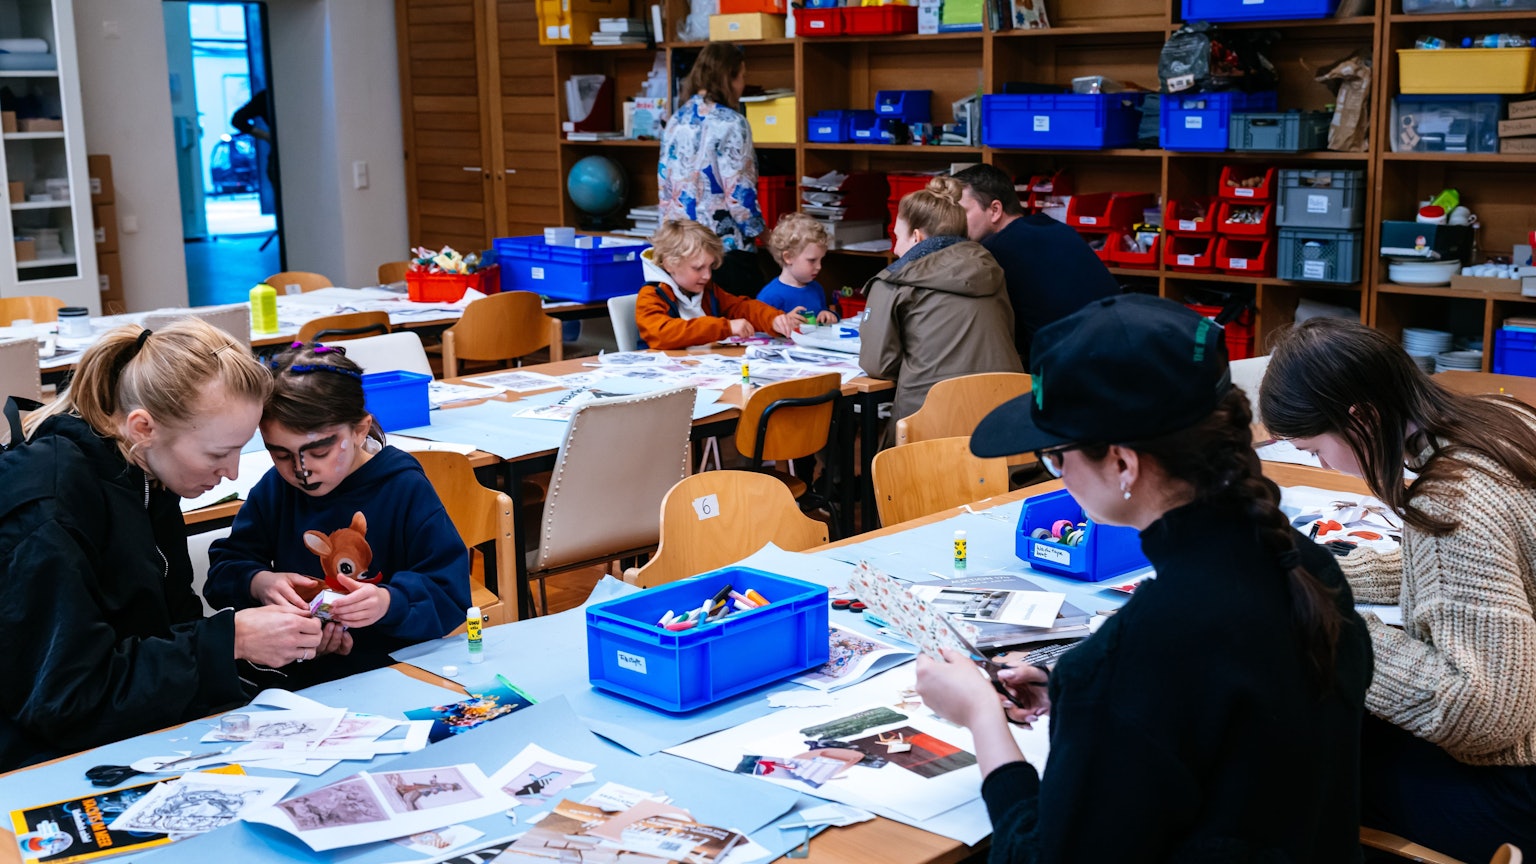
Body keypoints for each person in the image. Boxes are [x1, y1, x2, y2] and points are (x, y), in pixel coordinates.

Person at [916, 294, 1373, 863]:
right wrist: (1075, 692)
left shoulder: (1142, 654)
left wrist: (982, 717)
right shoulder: (1305, 565)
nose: (1057, 476)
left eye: (1057, 458)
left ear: (1123, 464)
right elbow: (1222, 726)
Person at [1259, 317, 1536, 862]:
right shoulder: (1500, 420)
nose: (1319, 463)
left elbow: (1484, 717)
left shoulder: (1448, 503)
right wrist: (1325, 575)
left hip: (1516, 790)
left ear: (1361, 418)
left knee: (1287, 762)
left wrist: (1331, 626)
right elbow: (1479, 572)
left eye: (1315, 449)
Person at [0, 321, 322, 771]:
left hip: (133, 734)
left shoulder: (147, 472)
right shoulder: (48, 509)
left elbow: (169, 624)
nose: (230, 473)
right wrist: (231, 640)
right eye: (216, 454)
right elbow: (64, 701)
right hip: (37, 763)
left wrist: (267, 644)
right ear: (143, 427)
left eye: (239, 451)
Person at [206, 342, 470, 687]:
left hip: (397, 672)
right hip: (299, 675)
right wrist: (260, 583)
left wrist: (389, 602)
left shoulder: (403, 487)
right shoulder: (276, 489)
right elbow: (224, 571)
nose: (301, 471)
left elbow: (448, 590)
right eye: (281, 454)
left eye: (319, 451)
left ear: (360, 430)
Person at [859, 175, 1022, 426]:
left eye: (897, 238)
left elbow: (879, 365)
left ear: (916, 237)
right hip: (1005, 424)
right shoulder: (991, 270)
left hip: (931, 426)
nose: (894, 249)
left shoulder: (893, 282)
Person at [951, 164, 1119, 363]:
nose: (955, 221)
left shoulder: (994, 254)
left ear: (995, 210)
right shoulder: (1055, 228)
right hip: (1120, 353)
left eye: (961, 212)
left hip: (1069, 372)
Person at [658, 43, 769, 297]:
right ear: (727, 78)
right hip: (722, 253)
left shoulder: (675, 121)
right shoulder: (732, 122)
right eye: (741, 77)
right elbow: (739, 198)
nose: (742, 86)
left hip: (680, 252)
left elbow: (665, 190)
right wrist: (769, 239)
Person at [636, 218, 796, 350]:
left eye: (710, 267)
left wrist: (773, 319)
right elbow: (662, 334)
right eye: (698, 268)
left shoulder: (705, 289)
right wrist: (725, 327)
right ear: (670, 264)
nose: (707, 275)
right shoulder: (651, 295)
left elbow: (739, 307)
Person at [758, 213, 839, 324]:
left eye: (821, 260)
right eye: (812, 260)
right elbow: (758, 326)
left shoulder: (817, 288)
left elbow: (822, 312)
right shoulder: (770, 295)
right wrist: (783, 321)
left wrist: (828, 315)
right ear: (788, 257)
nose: (819, 267)